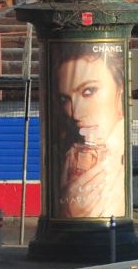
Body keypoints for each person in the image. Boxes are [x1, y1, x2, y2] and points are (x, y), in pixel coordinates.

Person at [53, 46, 127, 219]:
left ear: (120, 89)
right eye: (65, 99)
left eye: (89, 91)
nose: (75, 113)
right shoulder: (69, 153)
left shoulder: (119, 159)